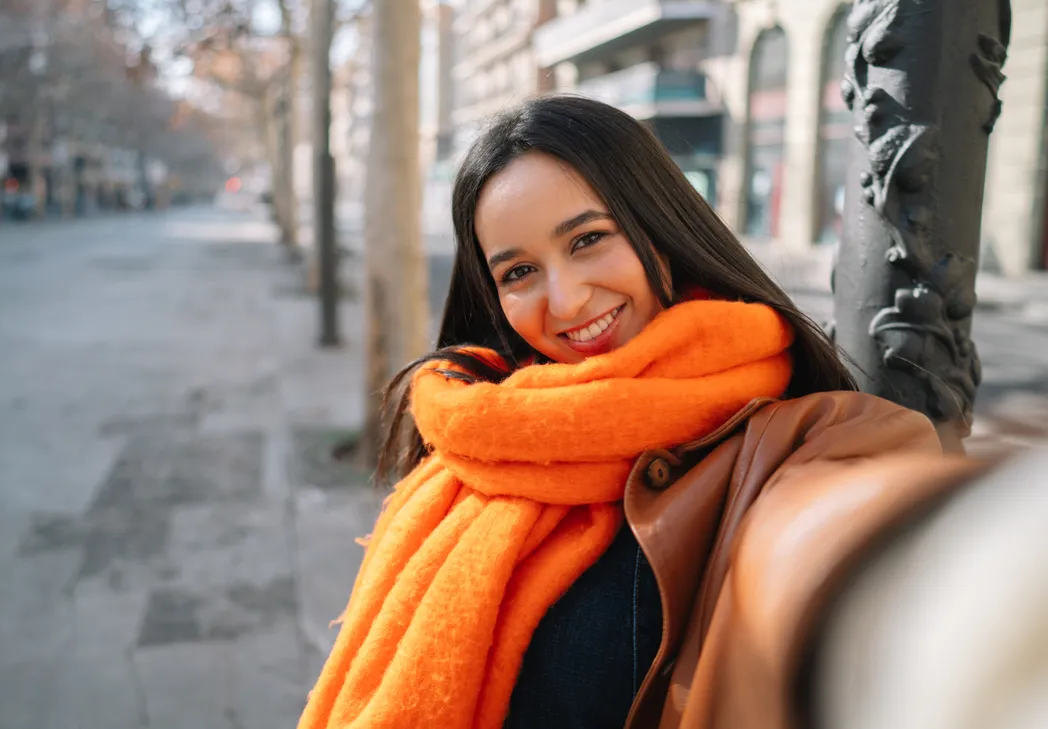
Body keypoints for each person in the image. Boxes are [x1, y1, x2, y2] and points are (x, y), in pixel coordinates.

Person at [297, 95, 988, 729]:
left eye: (588, 239)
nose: (565, 301)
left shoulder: (804, 444)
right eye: (519, 272)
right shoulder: (479, 434)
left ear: (658, 225)